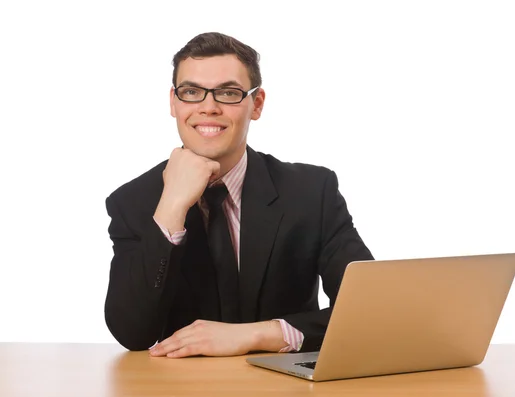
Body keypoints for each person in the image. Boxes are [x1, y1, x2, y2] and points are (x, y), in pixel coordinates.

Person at [104, 32, 373, 358]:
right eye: (191, 92)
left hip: (286, 386)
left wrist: (259, 335)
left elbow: (368, 311)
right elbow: (132, 331)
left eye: (228, 93)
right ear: (173, 103)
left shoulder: (311, 191)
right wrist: (172, 205)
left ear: (256, 104)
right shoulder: (134, 201)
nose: (208, 107)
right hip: (180, 387)